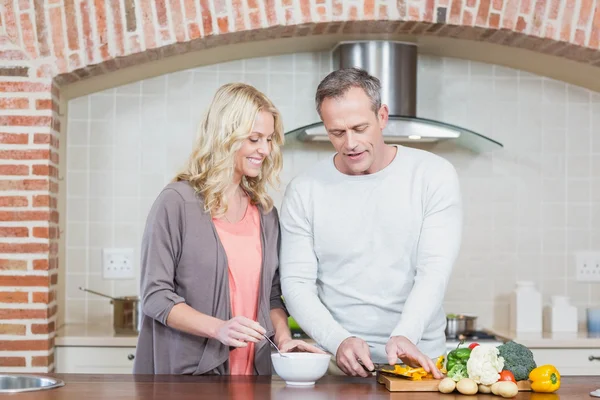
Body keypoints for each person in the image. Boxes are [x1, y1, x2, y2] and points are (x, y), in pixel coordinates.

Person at [279, 68, 462, 378]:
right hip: (341, 367)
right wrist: (338, 341)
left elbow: (433, 270)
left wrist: (405, 334)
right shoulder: (304, 189)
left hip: (418, 364)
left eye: (359, 128)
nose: (350, 143)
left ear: (382, 116)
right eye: (336, 132)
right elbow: (296, 283)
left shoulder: (433, 175)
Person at [133, 83, 322, 376]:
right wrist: (219, 328)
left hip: (251, 374)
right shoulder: (177, 202)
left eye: (269, 139)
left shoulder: (265, 212)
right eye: (254, 139)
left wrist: (284, 340)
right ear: (226, 137)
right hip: (188, 375)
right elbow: (155, 296)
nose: (265, 150)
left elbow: (271, 297)